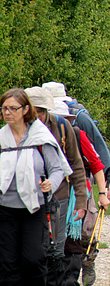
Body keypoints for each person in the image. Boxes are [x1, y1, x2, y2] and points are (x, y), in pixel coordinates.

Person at [0, 88, 70, 285]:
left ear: (25, 110)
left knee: (33, 260)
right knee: (7, 263)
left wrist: (51, 184)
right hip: (4, 208)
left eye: (13, 108)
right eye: (4, 108)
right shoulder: (1, 139)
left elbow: (58, 169)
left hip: (34, 208)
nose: (7, 112)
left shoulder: (40, 137)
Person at [25, 86, 88, 286]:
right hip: (27, 198)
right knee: (32, 250)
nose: (38, 116)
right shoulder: (18, 130)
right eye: (34, 111)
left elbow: (76, 164)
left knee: (56, 249)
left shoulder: (62, 127)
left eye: (41, 111)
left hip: (59, 196)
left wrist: (81, 200)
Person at [46, 99, 110, 286]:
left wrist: (102, 193)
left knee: (76, 236)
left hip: (76, 193)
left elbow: (96, 165)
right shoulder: (37, 136)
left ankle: (77, 271)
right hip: (50, 194)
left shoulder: (77, 134)